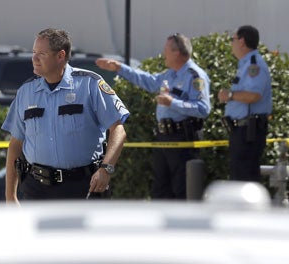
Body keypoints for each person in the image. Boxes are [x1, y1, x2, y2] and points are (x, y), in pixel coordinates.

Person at [2, 28, 129, 264]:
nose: (34, 60)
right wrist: (10, 195)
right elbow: (15, 145)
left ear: (61, 56)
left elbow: (119, 127)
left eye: (40, 54)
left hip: (84, 191)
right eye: (33, 53)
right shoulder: (27, 92)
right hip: (38, 192)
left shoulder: (90, 85)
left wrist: (107, 169)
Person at [97, 34, 211, 200]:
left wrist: (172, 102)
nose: (163, 54)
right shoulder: (170, 74)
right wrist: (119, 68)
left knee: (182, 188)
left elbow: (203, 108)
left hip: (183, 138)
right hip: (163, 137)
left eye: (166, 50)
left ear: (177, 53)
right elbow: (148, 81)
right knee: (160, 188)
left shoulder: (195, 76)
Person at [218, 25, 273, 183]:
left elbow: (254, 95)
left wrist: (229, 95)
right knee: (240, 176)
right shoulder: (245, 64)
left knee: (244, 179)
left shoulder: (253, 65)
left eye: (232, 39)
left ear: (242, 41)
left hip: (248, 131)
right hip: (241, 131)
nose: (231, 44)